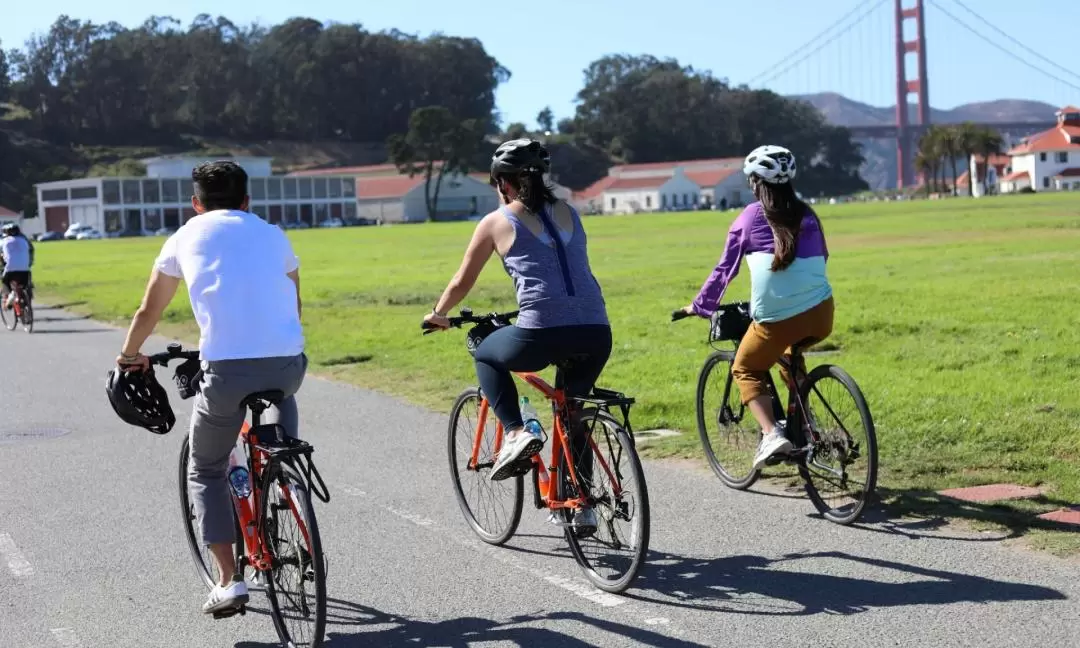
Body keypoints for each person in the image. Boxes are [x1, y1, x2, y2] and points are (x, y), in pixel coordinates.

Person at [115, 160, 307, 615]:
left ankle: (228, 581)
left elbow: (148, 311)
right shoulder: (273, 234)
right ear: (247, 202)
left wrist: (128, 356)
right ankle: (288, 476)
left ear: (195, 204)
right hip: (287, 365)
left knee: (206, 468)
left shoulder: (184, 236)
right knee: (282, 410)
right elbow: (293, 303)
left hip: (226, 372)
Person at [422, 139, 611, 531]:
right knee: (571, 411)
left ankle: (515, 432)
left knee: (486, 354)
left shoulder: (496, 221)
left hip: (542, 332)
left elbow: (462, 281)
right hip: (597, 331)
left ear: (503, 183)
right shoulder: (569, 212)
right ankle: (583, 505)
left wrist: (439, 314)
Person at [678, 145, 834, 470]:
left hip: (777, 319)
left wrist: (699, 306)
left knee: (745, 367)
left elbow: (725, 270)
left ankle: (771, 434)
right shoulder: (809, 214)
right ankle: (807, 427)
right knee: (790, 356)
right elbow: (824, 259)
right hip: (822, 313)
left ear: (754, 183)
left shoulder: (749, 217)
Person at [0, 223, 32, 309]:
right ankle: (25, 300)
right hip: (25, 269)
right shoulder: (24, 241)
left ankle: (11, 297)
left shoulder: (3, 241)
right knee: (24, 285)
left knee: (5, 282)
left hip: (10, 269)